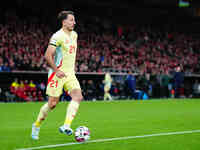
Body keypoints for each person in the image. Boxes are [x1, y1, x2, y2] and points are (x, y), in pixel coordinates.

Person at [31, 11, 83, 140]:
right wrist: (56, 70)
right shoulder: (57, 36)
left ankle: (66, 125)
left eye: (74, 20)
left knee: (78, 96)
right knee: (53, 103)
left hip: (70, 73)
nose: (74, 22)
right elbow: (48, 55)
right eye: (71, 20)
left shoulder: (75, 35)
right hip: (57, 74)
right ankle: (36, 125)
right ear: (64, 22)